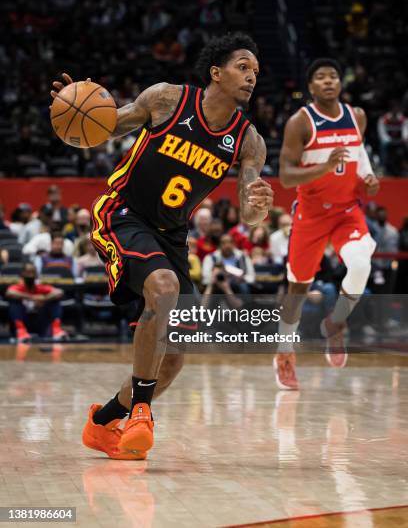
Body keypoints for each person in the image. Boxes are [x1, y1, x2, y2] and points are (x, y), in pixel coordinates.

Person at [50, 32, 273, 460]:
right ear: (216, 72)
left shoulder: (249, 142)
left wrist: (258, 205)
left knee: (174, 357)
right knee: (166, 286)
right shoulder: (167, 100)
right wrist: (71, 111)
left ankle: (101, 424)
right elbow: (108, 125)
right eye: (242, 67)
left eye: (256, 72)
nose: (251, 78)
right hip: (123, 212)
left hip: (171, 235)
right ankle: (140, 414)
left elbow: (249, 210)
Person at [276, 58, 379, 390]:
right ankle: (284, 353)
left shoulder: (357, 116)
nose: (328, 81)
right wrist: (323, 168)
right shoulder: (300, 122)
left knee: (361, 264)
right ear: (311, 87)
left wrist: (368, 178)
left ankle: (335, 324)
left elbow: (359, 155)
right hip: (311, 213)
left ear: (340, 82)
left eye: (333, 76)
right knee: (298, 289)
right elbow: (286, 176)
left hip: (347, 210)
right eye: (320, 78)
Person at [6, 262, 67, 342]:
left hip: (40, 321)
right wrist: (32, 297)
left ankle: (56, 329)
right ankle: (21, 331)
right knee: (14, 302)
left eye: (33, 273)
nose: (30, 275)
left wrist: (44, 299)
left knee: (55, 301)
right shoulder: (18, 287)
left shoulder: (40, 287)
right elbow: (9, 292)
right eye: (28, 273)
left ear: (36, 275)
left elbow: (60, 292)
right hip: (24, 321)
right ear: (22, 274)